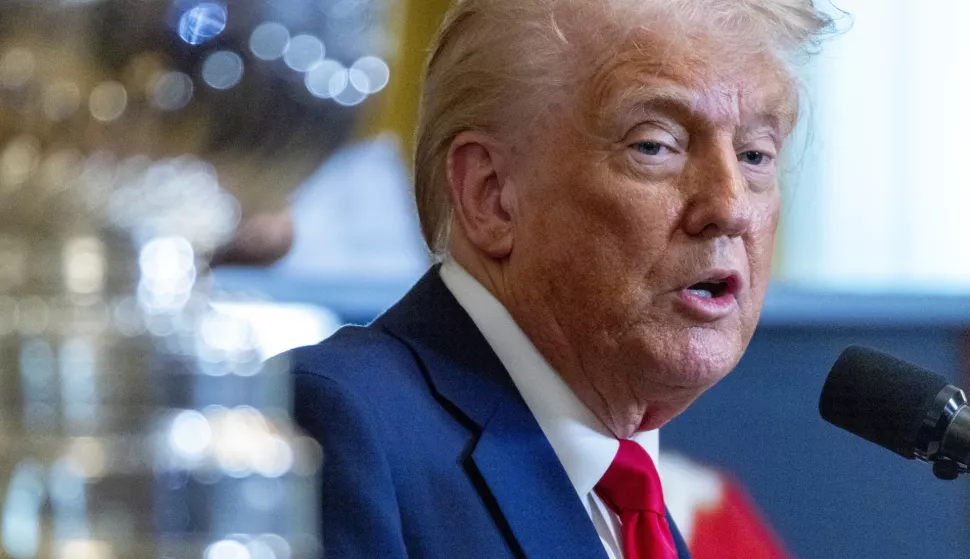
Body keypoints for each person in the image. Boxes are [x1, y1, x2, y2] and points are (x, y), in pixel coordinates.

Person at [285, 0, 833, 557]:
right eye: (655, 145)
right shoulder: (340, 430)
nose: (731, 206)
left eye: (755, 155)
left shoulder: (628, 500)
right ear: (491, 194)